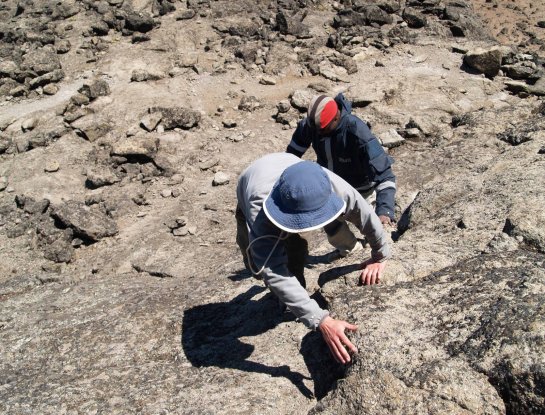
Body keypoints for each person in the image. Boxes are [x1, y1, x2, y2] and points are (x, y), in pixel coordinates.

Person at [235, 152, 390, 364]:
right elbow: (272, 268)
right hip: (251, 180)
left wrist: (379, 255)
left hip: (291, 166)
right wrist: (320, 320)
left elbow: (364, 214)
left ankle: (295, 295)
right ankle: (289, 298)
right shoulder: (258, 205)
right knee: (259, 261)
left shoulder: (331, 184)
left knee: (296, 246)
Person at [286, 93, 397, 258]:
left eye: (323, 130)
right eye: (315, 130)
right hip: (329, 188)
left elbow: (385, 175)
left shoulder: (357, 131)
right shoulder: (313, 125)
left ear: (336, 118)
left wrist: (385, 211)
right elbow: (291, 156)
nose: (319, 134)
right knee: (327, 219)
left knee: (375, 232)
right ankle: (350, 249)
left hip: (360, 190)